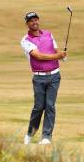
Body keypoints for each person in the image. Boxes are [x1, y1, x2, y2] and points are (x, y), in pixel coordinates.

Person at [20, 11, 67, 145]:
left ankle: (46, 137)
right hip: (39, 78)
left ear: (38, 20)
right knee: (39, 107)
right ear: (27, 24)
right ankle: (30, 134)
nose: (34, 22)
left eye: (36, 19)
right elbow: (38, 56)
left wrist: (62, 54)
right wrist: (57, 57)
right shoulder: (25, 40)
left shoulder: (48, 34)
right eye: (31, 21)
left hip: (54, 75)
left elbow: (55, 49)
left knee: (50, 106)